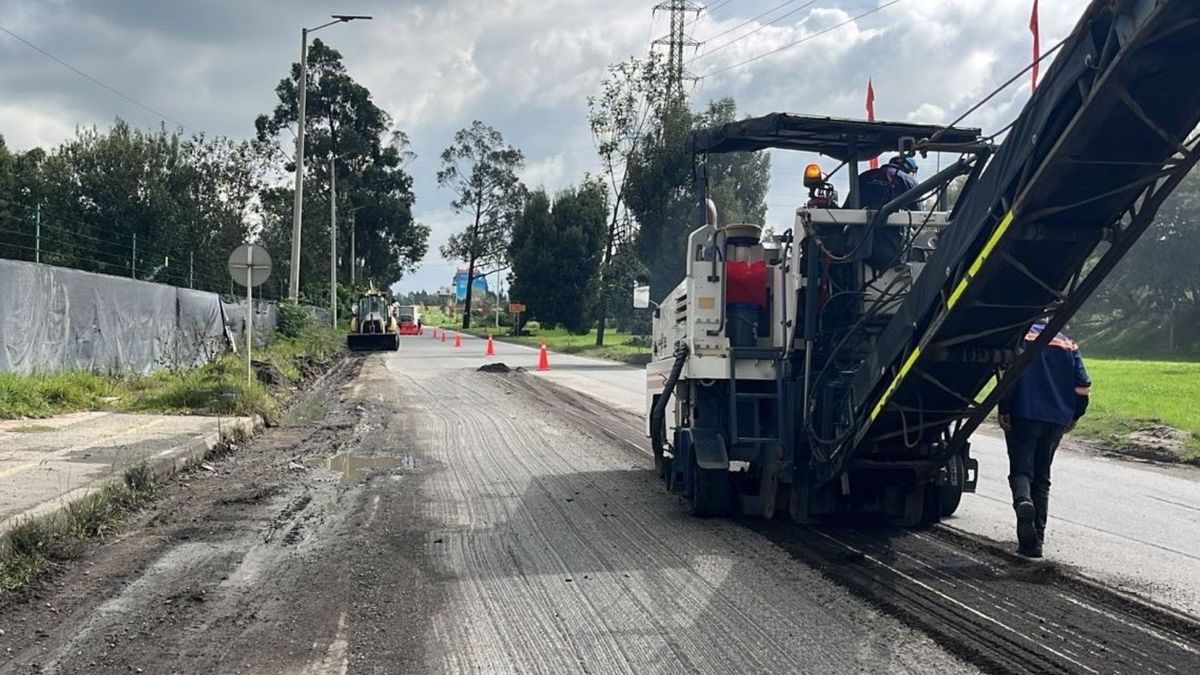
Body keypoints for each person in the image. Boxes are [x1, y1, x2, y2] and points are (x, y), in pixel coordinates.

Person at [998, 321, 1092, 558]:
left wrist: (1004, 408)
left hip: (1023, 413)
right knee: (1042, 479)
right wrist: (1074, 415)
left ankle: (1022, 502)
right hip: (1056, 420)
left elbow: (1009, 377)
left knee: (1021, 471)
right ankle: (1035, 543)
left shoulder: (1020, 338)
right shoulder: (1068, 343)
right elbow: (1083, 385)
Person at [857, 155, 919, 273]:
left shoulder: (863, 177)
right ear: (910, 170)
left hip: (860, 251)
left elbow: (847, 210)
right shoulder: (909, 181)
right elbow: (918, 218)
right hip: (894, 253)